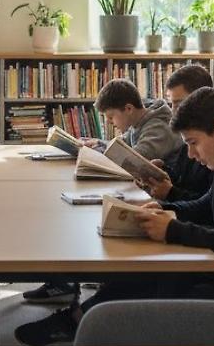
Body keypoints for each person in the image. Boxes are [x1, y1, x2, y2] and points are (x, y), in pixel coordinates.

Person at [14, 88, 214, 346]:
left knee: (156, 284)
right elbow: (206, 206)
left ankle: (89, 328)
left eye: (193, 142)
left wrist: (173, 230)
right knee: (144, 273)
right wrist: (166, 209)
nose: (191, 154)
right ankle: (80, 321)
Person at [25, 78, 184, 304]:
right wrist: (98, 144)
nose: (111, 122)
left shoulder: (158, 125)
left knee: (85, 221)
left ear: (128, 109)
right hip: (141, 190)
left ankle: (72, 283)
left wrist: (102, 152)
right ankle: (64, 281)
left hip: (150, 197)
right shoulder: (140, 122)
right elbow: (122, 146)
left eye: (111, 117)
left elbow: (136, 156)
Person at [136, 64, 214, 202]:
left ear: (201, 98)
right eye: (172, 104)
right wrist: (161, 174)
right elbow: (183, 180)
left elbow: (208, 207)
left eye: (179, 104)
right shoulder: (188, 138)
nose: (173, 112)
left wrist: (170, 193)